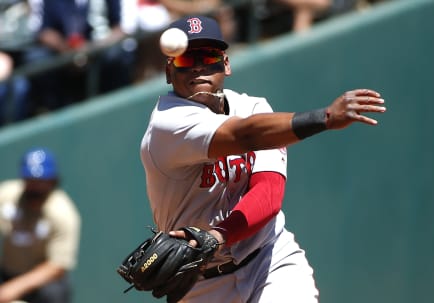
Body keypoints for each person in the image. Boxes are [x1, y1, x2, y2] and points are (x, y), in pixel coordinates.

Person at [139, 15, 386, 302]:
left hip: (269, 259)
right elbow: (244, 135)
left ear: (226, 64)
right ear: (169, 73)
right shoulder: (168, 123)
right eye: (185, 60)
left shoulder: (253, 107)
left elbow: (268, 193)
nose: (198, 66)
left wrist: (219, 235)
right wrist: (325, 118)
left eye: (208, 56)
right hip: (200, 282)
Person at [0, 147, 81, 303]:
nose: (35, 187)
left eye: (40, 182)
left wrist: (12, 289)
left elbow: (58, 266)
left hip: (42, 283)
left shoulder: (63, 213)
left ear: (52, 182)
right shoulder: (8, 195)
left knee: (54, 292)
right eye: (31, 181)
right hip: (7, 272)